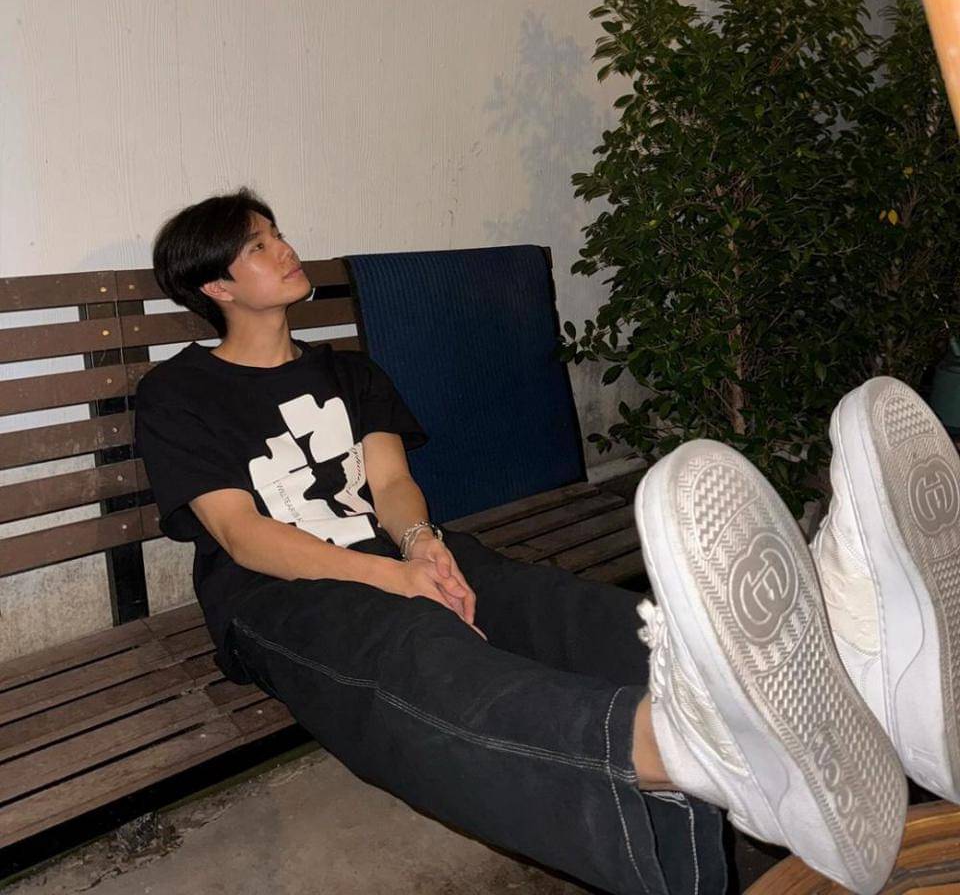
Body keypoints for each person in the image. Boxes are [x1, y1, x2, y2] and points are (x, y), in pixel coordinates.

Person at [135, 188, 960, 895]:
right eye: (259, 245)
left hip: (401, 557)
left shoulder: (348, 373)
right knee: (421, 654)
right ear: (216, 285)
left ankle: (853, 688)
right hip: (280, 595)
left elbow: (390, 484)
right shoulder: (180, 392)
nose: (284, 248)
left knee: (559, 609)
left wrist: (420, 547)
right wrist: (392, 580)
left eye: (276, 233)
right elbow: (241, 535)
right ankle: (684, 750)